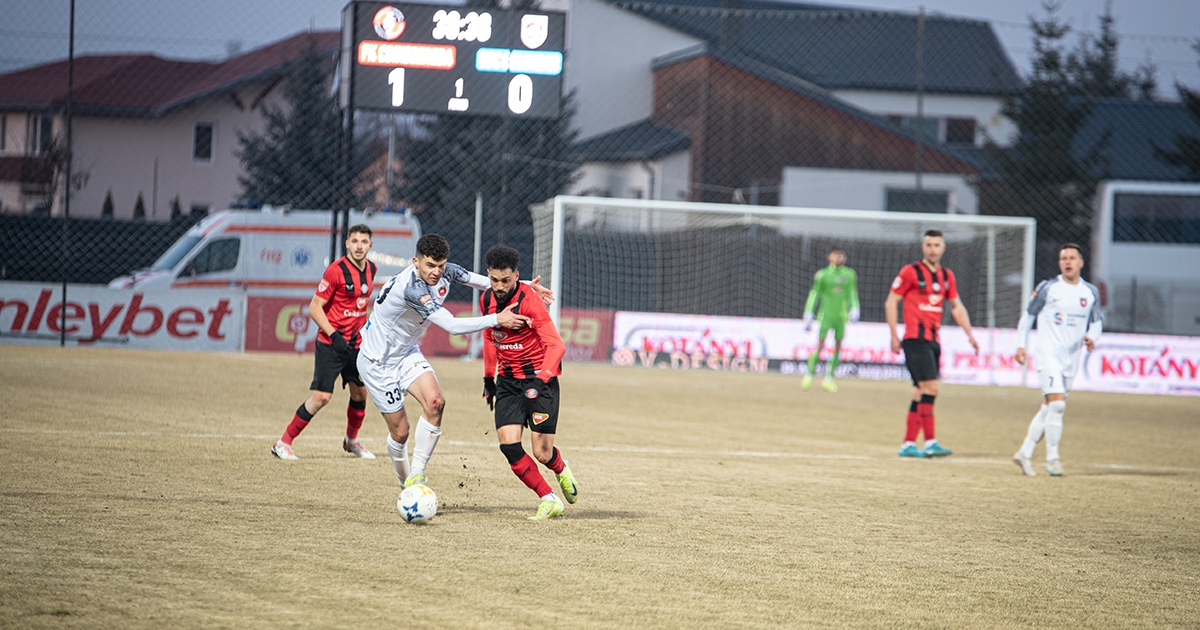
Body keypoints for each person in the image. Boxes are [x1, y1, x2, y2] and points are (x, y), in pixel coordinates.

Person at [356, 234, 550, 490]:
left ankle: (417, 475)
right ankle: (406, 483)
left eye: (441, 265)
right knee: (401, 432)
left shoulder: (447, 272)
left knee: (435, 403)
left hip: (406, 353)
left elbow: (485, 282)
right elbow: (451, 325)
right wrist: (496, 319)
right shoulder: (412, 288)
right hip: (376, 362)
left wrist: (523, 284)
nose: (436, 272)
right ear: (416, 261)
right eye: (429, 265)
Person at [478, 245, 579, 521]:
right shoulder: (486, 298)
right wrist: (489, 377)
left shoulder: (530, 302)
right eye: (494, 280)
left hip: (540, 380)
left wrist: (540, 379)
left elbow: (556, 346)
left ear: (516, 276)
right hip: (508, 382)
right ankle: (548, 498)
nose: (499, 287)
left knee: (542, 453)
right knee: (509, 445)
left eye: (506, 281)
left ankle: (560, 467)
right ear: (488, 274)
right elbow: (490, 337)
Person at [272, 224, 378, 461]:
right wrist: (334, 335)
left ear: (371, 245)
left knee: (360, 393)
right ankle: (282, 443)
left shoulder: (372, 268)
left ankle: (351, 441)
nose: (359, 246)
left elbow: (359, 306)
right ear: (347, 244)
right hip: (331, 343)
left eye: (364, 242)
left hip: (357, 343)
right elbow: (314, 307)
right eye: (354, 241)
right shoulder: (335, 271)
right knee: (322, 397)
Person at [885, 229, 980, 458]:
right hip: (915, 340)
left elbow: (956, 307)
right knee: (932, 388)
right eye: (929, 244)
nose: (933, 249)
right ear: (923, 247)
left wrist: (970, 334)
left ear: (943, 248)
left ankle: (908, 443)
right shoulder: (910, 272)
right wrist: (894, 335)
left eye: (937, 245)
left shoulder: (947, 276)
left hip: (933, 341)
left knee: (920, 391)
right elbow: (891, 302)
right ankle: (929, 442)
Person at [1012, 244, 1103, 477]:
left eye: (1072, 258)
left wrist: (1092, 337)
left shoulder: (1090, 292)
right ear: (1059, 263)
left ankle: (1025, 451)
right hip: (1047, 353)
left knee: (1049, 408)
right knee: (1058, 405)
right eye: (1064, 258)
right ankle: (1053, 458)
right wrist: (1021, 344)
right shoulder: (1048, 288)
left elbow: (1096, 322)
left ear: (1081, 263)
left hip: (1071, 358)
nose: (1068, 262)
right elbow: (1028, 316)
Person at [801, 246, 860, 393]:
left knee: (838, 346)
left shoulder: (849, 274)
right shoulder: (823, 275)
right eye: (836, 255)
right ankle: (808, 375)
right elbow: (815, 294)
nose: (839, 257)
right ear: (829, 257)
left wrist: (855, 308)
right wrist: (809, 312)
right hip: (825, 316)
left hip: (841, 317)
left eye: (842, 255)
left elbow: (852, 293)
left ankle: (829, 378)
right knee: (820, 345)